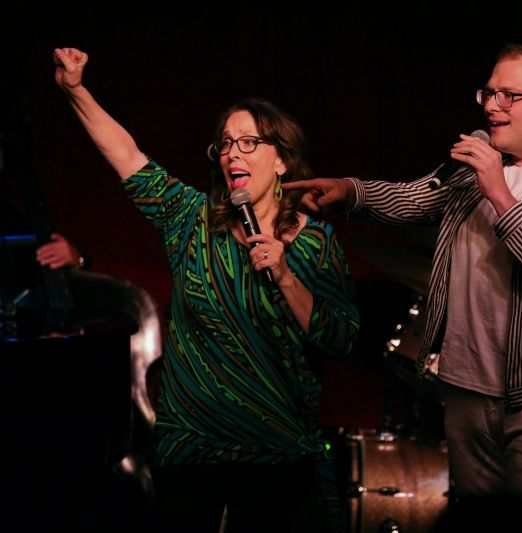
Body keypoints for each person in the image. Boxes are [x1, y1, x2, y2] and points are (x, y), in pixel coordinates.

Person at [283, 42, 522, 530]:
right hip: (467, 393)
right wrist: (350, 191)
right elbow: (414, 200)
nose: (491, 106)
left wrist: (500, 193)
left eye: (508, 95)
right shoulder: (475, 171)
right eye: (488, 93)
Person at [53, 47, 360, 533]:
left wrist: (284, 275)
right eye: (224, 144)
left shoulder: (317, 244)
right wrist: (75, 90)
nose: (232, 153)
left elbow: (341, 339)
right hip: (191, 445)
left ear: (282, 161)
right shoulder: (191, 220)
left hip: (276, 450)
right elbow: (127, 154)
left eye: (248, 142)